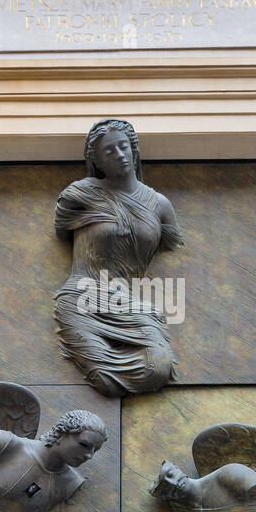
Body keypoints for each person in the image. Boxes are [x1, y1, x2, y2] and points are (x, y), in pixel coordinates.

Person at [53, 118, 184, 396]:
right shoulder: (81, 195)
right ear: (97, 161)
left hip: (127, 300)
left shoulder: (160, 205)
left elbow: (173, 243)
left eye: (123, 147)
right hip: (82, 298)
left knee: (157, 367)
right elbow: (61, 227)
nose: (120, 155)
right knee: (101, 378)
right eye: (109, 151)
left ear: (134, 149)